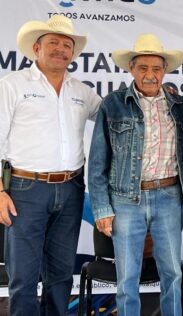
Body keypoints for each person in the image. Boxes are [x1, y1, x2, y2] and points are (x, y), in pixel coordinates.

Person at [0, 15, 101, 315]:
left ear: (73, 53)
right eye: (53, 43)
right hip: (24, 189)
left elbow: (115, 113)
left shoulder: (82, 91)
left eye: (66, 45)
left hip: (71, 188)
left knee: (60, 276)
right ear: (36, 48)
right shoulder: (12, 85)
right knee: (24, 277)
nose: (60, 49)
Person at [88, 33, 183, 316]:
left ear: (165, 71)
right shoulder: (113, 104)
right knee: (127, 277)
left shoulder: (180, 106)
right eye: (143, 68)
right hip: (126, 200)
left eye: (156, 68)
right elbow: (97, 163)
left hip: (169, 196)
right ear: (132, 69)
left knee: (172, 272)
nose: (150, 75)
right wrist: (101, 209)